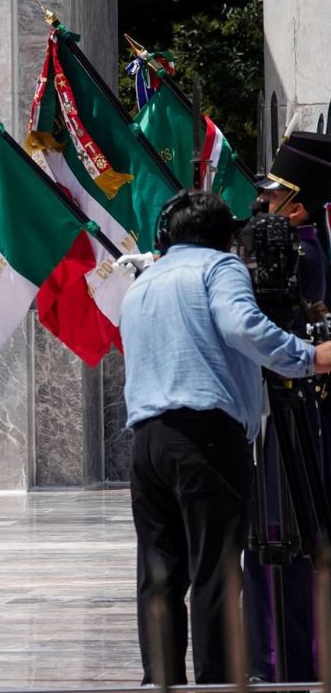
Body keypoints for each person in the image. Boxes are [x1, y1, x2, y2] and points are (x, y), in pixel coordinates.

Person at [121, 190, 331, 686]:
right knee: (215, 571)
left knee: (159, 573)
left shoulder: (145, 280)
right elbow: (241, 324)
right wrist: (309, 356)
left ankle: (160, 681)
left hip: (147, 441)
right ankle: (216, 682)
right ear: (224, 238)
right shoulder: (218, 268)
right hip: (205, 437)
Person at [241, 132, 331, 683]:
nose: (262, 207)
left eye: (274, 198)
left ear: (297, 205)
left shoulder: (304, 255)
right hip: (293, 404)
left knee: (279, 534)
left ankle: (277, 659)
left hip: (291, 408)